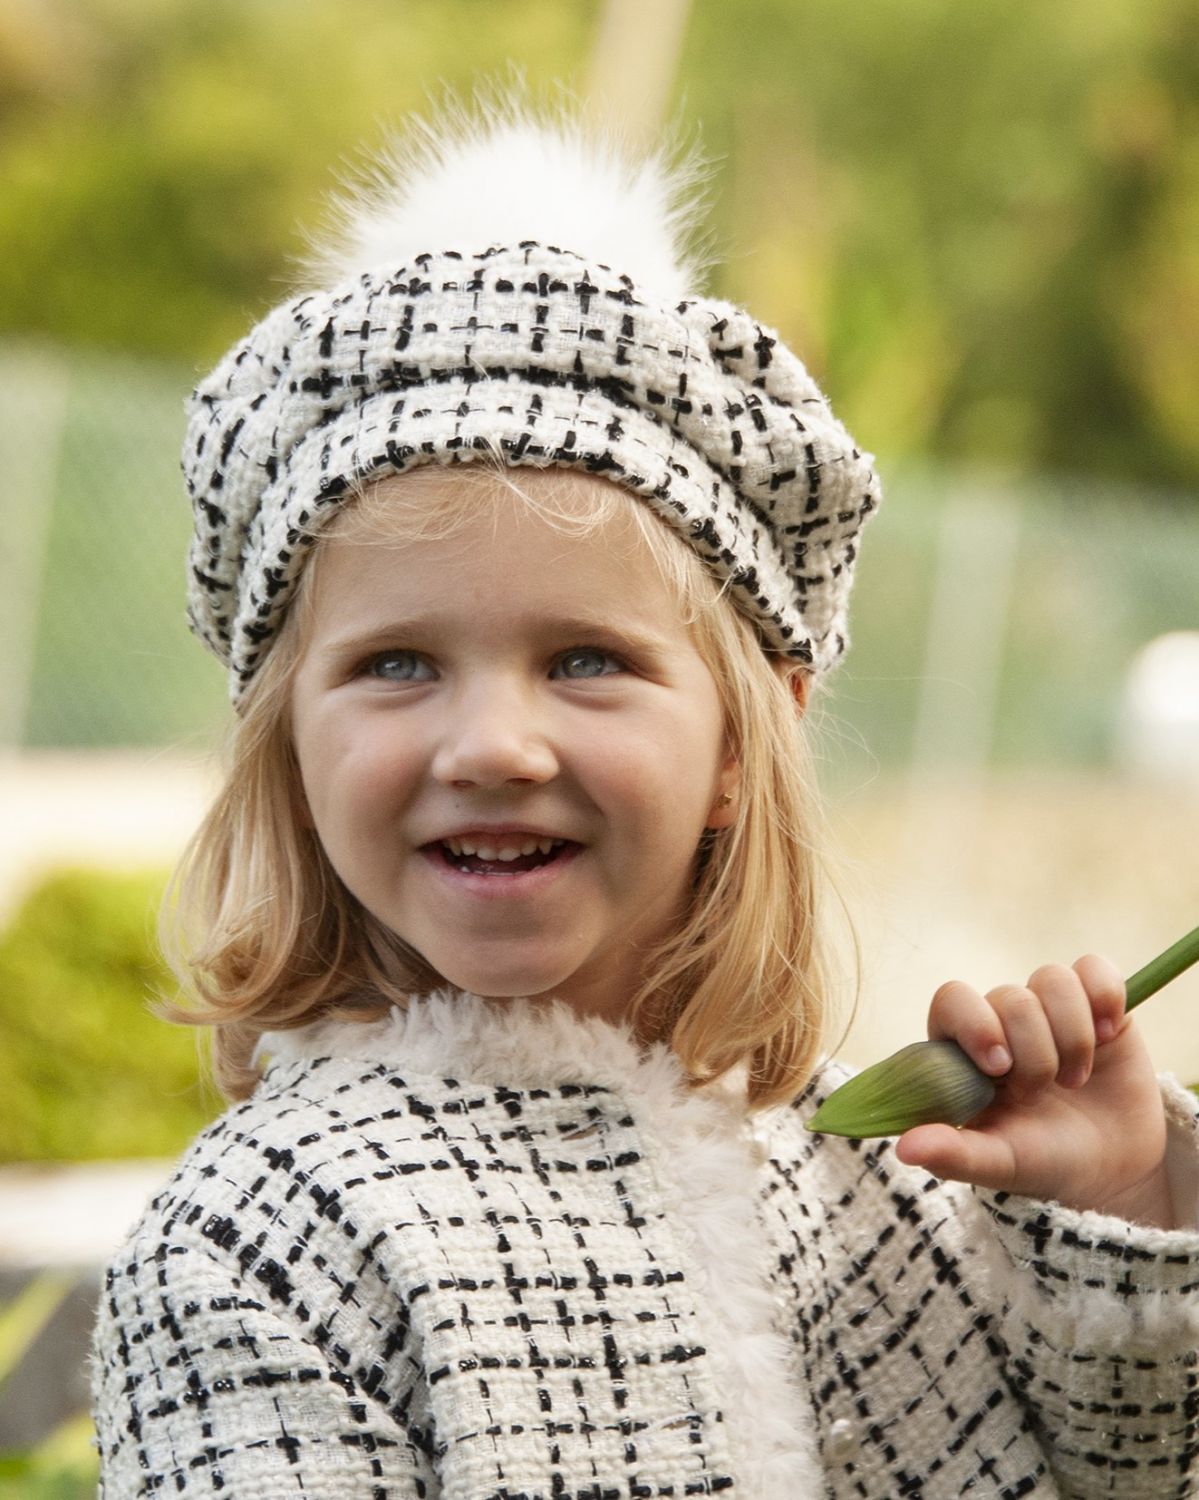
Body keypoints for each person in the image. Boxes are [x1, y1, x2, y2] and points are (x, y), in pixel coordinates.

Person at [91, 100, 1199, 1499]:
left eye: (586, 660)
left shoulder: (902, 1188)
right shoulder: (262, 1246)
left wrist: (1123, 1207)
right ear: (292, 753)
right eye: (397, 664)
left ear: (749, 737)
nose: (493, 743)